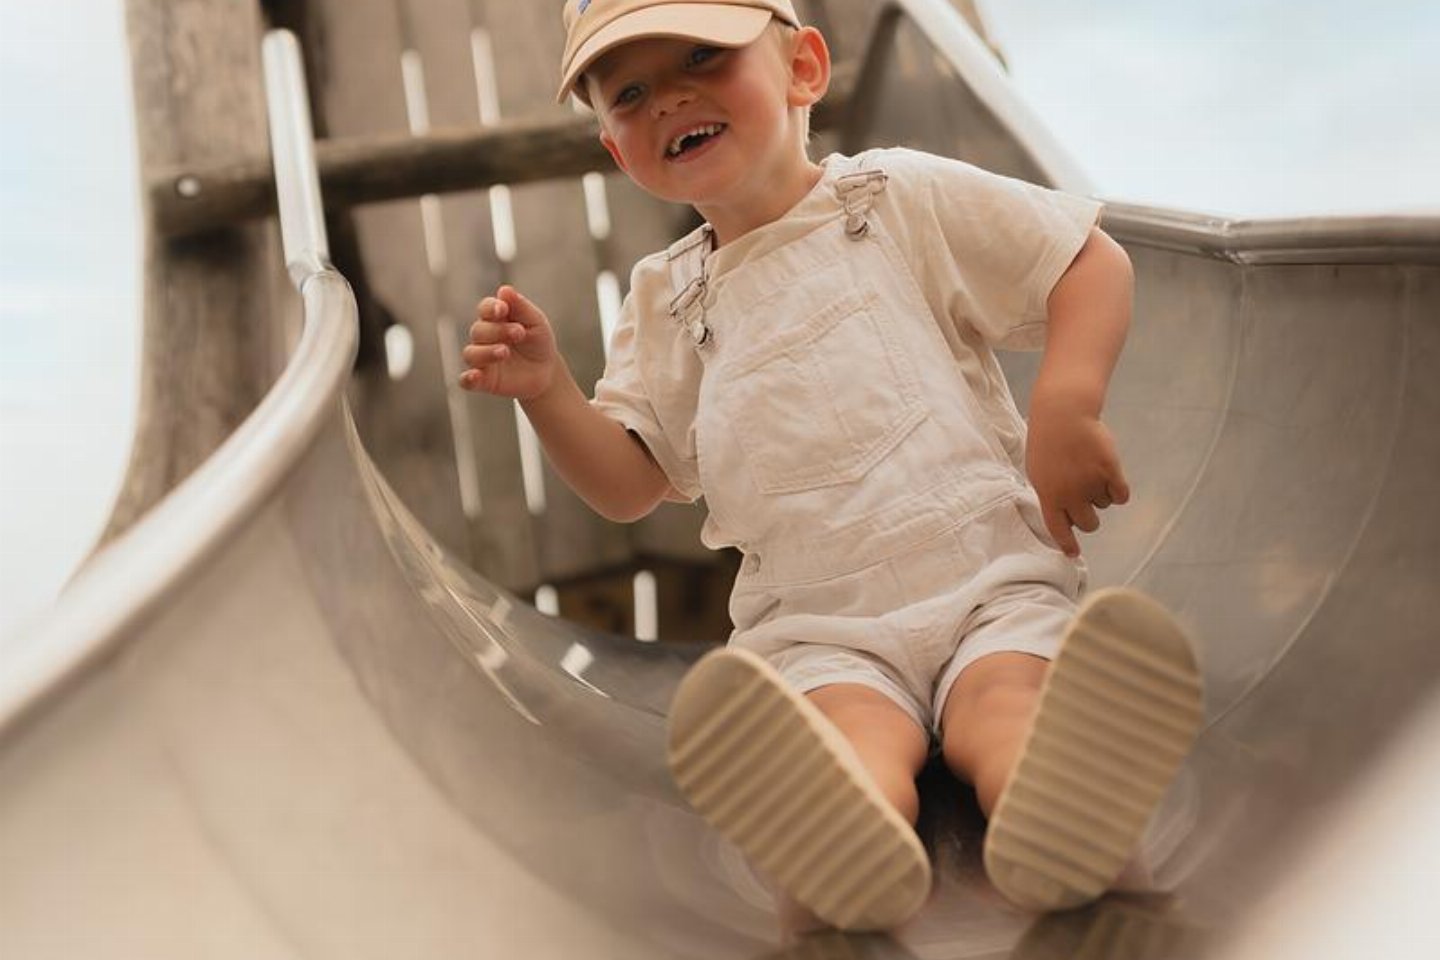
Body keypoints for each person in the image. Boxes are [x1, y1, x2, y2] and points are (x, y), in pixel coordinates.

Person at [460, 0, 1203, 932]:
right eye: (632, 93)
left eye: (702, 57)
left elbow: (1086, 262)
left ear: (803, 69)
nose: (669, 99)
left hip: (987, 581)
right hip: (819, 631)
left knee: (1011, 704)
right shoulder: (666, 299)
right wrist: (547, 393)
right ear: (617, 148)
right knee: (847, 748)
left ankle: (1064, 808)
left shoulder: (894, 198)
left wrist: (1066, 404)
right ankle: (844, 850)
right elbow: (630, 482)